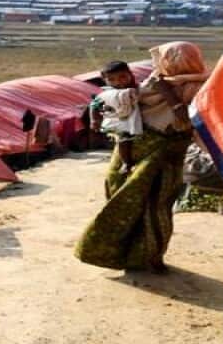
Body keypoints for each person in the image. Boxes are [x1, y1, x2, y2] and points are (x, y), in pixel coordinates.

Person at [75, 42, 210, 273]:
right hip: (143, 151)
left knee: (151, 205)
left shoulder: (196, 89)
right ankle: (130, 255)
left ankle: (147, 256)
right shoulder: (159, 83)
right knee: (135, 201)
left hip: (162, 156)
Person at [89, 61, 142, 174]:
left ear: (130, 74)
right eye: (112, 79)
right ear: (105, 80)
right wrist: (94, 119)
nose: (118, 82)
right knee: (124, 140)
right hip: (121, 122)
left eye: (122, 77)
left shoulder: (139, 88)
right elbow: (94, 105)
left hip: (139, 120)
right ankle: (126, 163)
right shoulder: (107, 93)